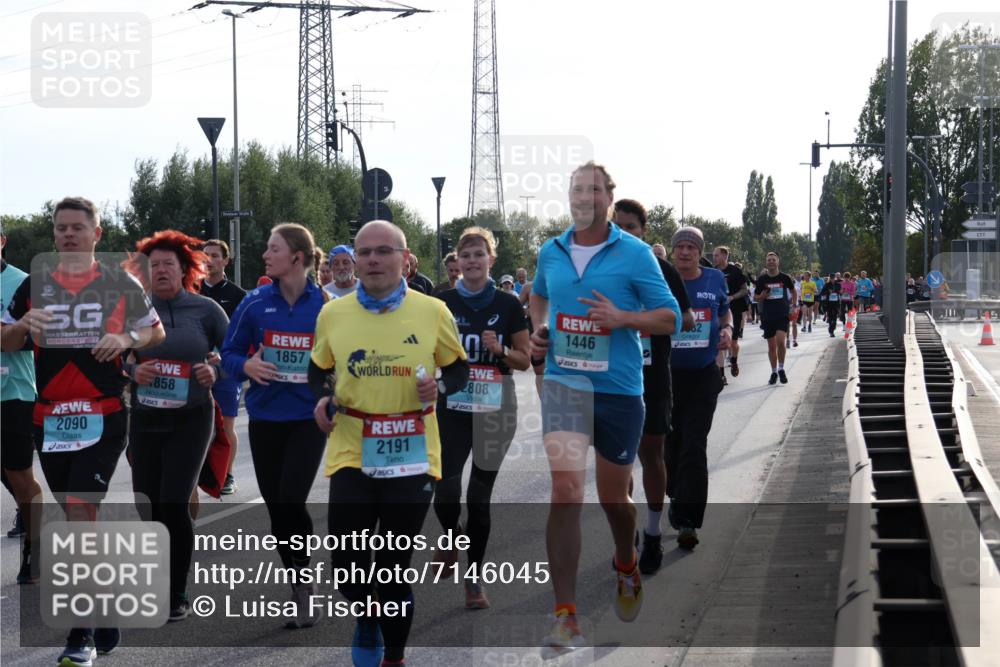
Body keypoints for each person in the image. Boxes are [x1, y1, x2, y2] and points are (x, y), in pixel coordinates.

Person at [1, 196, 165, 666]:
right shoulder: (34, 285)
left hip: (104, 415)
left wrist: (126, 338)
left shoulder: (120, 283)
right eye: (60, 228)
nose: (68, 234)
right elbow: (5, 336)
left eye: (77, 227)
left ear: (98, 234)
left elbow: (153, 332)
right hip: (49, 418)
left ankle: (80, 635)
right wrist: (22, 328)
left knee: (77, 517)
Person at [529, 162, 680, 653]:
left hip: (618, 389)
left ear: (609, 198)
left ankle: (624, 559)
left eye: (594, 188)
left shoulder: (635, 254)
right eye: (577, 188)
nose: (584, 195)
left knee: (614, 500)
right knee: (567, 489)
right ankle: (566, 616)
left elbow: (670, 318)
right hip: (563, 384)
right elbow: (539, 296)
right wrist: (541, 327)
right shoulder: (550, 251)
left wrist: (623, 318)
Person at [310, 220, 469, 667]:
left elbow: (459, 370)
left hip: (413, 451)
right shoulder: (332, 313)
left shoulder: (432, 311)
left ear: (404, 257)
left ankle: (394, 657)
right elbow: (317, 368)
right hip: (351, 449)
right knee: (348, 566)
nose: (373, 260)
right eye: (365, 253)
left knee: (393, 567)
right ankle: (365, 615)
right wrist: (323, 397)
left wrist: (440, 383)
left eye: (383, 251)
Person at [221, 223, 329, 630]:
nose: (266, 255)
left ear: (297, 258)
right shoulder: (254, 302)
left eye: (273, 249)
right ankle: (298, 583)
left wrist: (332, 393)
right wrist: (245, 365)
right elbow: (228, 351)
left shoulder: (326, 305)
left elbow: (342, 358)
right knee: (276, 510)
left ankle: (304, 582)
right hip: (266, 417)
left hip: (307, 419)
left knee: (290, 499)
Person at [124, 230, 228, 621]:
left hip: (191, 417)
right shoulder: (133, 309)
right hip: (147, 416)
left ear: (184, 269)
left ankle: (177, 592)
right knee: (146, 503)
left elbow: (231, 351)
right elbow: (115, 356)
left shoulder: (205, 310)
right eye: (154, 265)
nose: (162, 270)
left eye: (169, 263)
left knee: (173, 501)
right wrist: (133, 368)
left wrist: (213, 368)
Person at [433, 226, 531, 609]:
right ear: (457, 262)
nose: (472, 261)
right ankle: (452, 537)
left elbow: (524, 361)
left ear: (491, 259)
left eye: (479, 254)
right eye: (466, 255)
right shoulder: (441, 304)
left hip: (495, 408)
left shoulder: (507, 305)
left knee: (478, 497)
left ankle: (474, 579)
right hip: (453, 407)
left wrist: (501, 348)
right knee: (444, 489)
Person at [613, 198, 693, 574]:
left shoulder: (661, 269)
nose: (623, 233)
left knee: (651, 456)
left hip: (652, 375)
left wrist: (638, 320)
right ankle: (626, 533)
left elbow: (687, 320)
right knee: (617, 461)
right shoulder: (600, 269)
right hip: (612, 377)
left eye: (631, 227)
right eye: (617, 226)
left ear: (643, 231)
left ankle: (653, 532)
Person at [665, 227, 731, 550]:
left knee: (694, 443)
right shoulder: (661, 279)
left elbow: (724, 311)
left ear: (699, 251)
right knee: (671, 445)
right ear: (674, 251)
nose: (685, 252)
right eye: (680, 247)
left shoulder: (715, 279)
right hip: (665, 377)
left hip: (704, 375)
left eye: (691, 247)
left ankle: (688, 520)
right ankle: (676, 492)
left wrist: (728, 329)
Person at [1, 226, 41, 585]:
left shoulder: (23, 281)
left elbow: (37, 336)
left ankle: (37, 546)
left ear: (1, 242)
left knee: (18, 475)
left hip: (13, 392)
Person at [199, 239, 247, 496]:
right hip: (197, 366)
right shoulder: (191, 290)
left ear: (226, 261)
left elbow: (244, 335)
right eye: (205, 255)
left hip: (226, 367)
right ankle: (199, 471)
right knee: (197, 421)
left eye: (215, 256)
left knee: (226, 424)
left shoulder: (239, 295)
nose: (209, 260)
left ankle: (227, 475)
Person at [753, 252, 796, 385]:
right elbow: (755, 297)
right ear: (766, 263)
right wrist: (762, 296)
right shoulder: (762, 280)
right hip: (767, 316)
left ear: (778, 262)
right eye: (768, 260)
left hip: (782, 314)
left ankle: (781, 368)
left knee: (781, 342)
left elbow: (793, 291)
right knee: (771, 347)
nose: (771, 262)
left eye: (773, 260)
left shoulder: (785, 278)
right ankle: (773, 372)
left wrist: (793, 304)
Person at [712, 246, 747, 379]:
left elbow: (744, 290)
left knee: (733, 343)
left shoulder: (735, 271)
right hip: (718, 309)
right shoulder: (712, 272)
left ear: (725, 256)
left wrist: (732, 297)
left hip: (735, 308)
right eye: (714, 255)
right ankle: (721, 374)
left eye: (716, 255)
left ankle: (733, 361)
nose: (714, 258)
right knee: (719, 340)